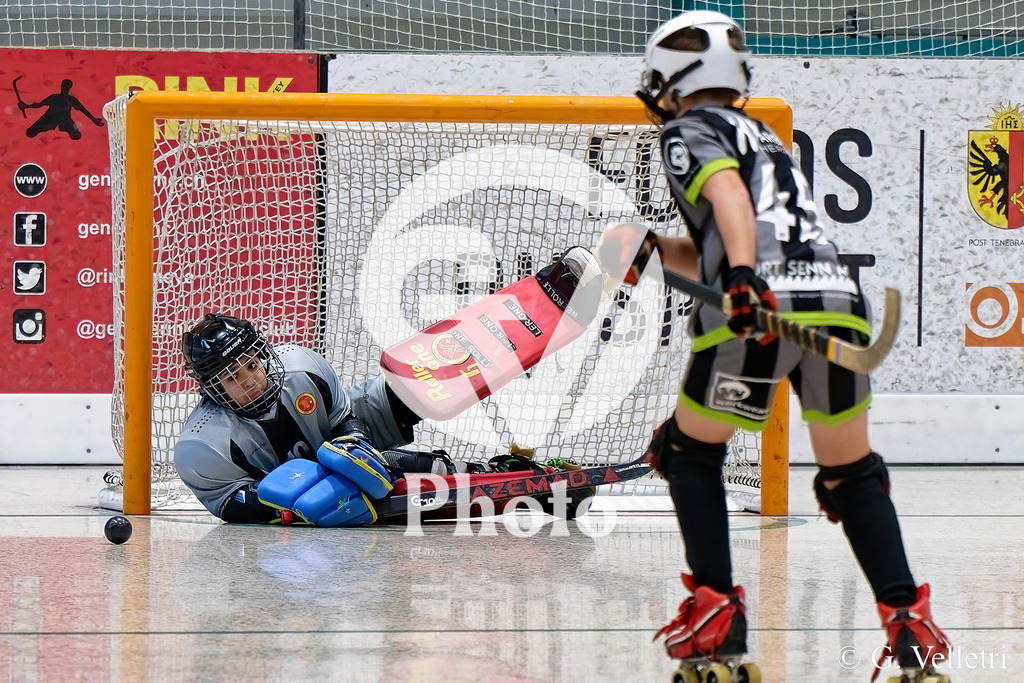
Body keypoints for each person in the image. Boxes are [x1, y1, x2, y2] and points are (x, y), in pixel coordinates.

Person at [617, 10, 951, 681]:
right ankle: (911, 632)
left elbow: (729, 199)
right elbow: (726, 235)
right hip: (835, 301)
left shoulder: (688, 130)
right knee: (852, 478)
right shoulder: (758, 132)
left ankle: (715, 620)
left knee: (686, 452)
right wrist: (651, 250)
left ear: (678, 80)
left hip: (763, 305)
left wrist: (743, 278)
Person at [175, 313, 588, 526]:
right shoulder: (202, 445)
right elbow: (231, 505)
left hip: (344, 447)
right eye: (231, 377)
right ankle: (523, 488)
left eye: (250, 366)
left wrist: (352, 443)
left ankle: (522, 323)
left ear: (264, 355)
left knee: (415, 386)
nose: (248, 381)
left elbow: (344, 416)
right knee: (397, 479)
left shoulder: (302, 367)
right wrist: (291, 504)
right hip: (314, 500)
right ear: (211, 388)